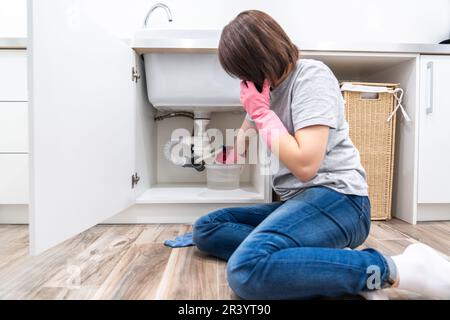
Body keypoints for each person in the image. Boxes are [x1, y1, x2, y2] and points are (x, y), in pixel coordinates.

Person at [192, 10, 450, 299]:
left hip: (341, 201)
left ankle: (395, 268)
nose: (242, 81)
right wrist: (234, 147)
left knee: (246, 270)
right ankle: (323, 264)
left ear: (260, 60)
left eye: (243, 73)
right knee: (206, 228)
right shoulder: (268, 91)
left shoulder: (311, 77)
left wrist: (262, 113)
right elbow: (242, 142)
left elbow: (305, 165)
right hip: (300, 203)